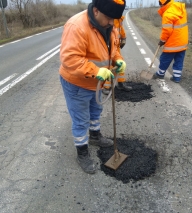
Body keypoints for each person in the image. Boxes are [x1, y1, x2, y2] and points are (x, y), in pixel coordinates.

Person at [59, 0, 126, 174]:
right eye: (109, 18)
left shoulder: (110, 24)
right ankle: (82, 152)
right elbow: (70, 59)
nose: (112, 23)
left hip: (97, 81)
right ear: (96, 11)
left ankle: (95, 136)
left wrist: (117, 59)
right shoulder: (77, 26)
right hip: (77, 83)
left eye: (115, 19)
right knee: (81, 119)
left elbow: (113, 48)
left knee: (96, 110)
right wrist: (96, 70)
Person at [152, 0, 188, 83]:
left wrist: (162, 40)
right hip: (183, 41)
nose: (160, 6)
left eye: (160, 4)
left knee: (165, 58)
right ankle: (177, 77)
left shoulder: (168, 14)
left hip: (173, 42)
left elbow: (167, 31)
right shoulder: (179, 7)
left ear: (162, 3)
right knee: (179, 59)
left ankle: (160, 74)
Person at [102, 15, 132, 95]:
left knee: (120, 63)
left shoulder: (119, 17)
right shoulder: (108, 15)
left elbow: (120, 28)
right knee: (108, 65)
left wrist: (123, 37)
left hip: (116, 45)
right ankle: (106, 87)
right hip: (108, 45)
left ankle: (121, 83)